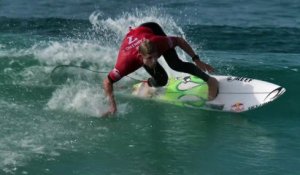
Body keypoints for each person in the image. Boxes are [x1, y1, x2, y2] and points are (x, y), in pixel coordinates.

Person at [102, 22, 218, 116]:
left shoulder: (159, 42)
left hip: (151, 28)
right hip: (134, 43)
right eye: (150, 58)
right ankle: (148, 83)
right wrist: (112, 106)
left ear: (157, 51)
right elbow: (107, 81)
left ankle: (210, 81)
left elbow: (179, 41)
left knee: (175, 64)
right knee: (162, 80)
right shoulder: (125, 63)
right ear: (140, 57)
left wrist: (196, 60)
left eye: (156, 56)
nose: (154, 60)